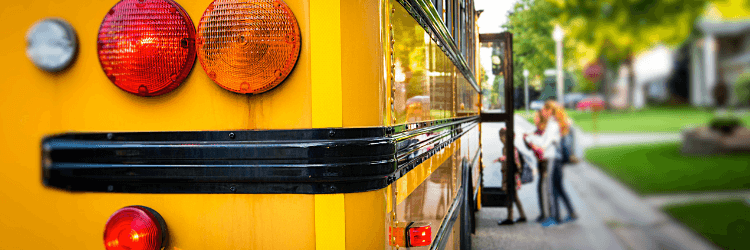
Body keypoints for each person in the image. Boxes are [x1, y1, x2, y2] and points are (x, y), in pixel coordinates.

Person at [542, 101, 578, 226]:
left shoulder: (553, 123)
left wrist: (541, 147)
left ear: (550, 110)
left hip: (553, 158)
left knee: (551, 188)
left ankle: (554, 217)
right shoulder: (562, 122)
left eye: (545, 110)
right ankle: (572, 213)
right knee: (559, 187)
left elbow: (550, 141)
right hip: (559, 159)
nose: (543, 113)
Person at [495, 128, 527, 225]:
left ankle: (510, 217)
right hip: (512, 174)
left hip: (510, 175)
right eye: (500, 136)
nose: (500, 138)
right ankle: (522, 216)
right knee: (515, 196)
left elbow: (513, 161)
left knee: (510, 196)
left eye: (502, 136)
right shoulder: (509, 147)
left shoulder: (508, 148)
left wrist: (503, 160)